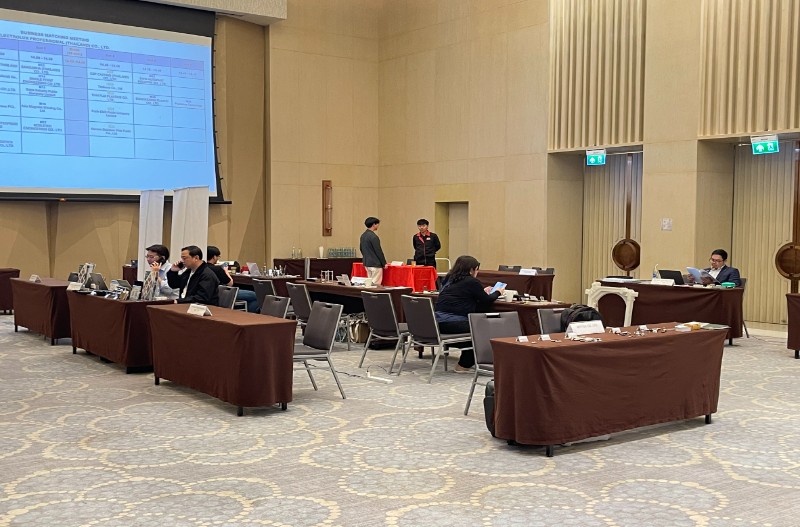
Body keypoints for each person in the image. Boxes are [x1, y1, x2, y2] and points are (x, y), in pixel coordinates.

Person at [434, 255, 504, 372]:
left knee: (475, 328)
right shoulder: (471, 281)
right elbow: (486, 300)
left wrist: (481, 292)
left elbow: (462, 295)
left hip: (437, 322)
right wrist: (498, 292)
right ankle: (464, 365)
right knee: (483, 328)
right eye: (477, 269)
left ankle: (467, 361)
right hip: (454, 323)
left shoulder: (448, 279)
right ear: (472, 269)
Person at [206, 246, 258, 313]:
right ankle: (251, 315)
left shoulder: (203, 268)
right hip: (223, 294)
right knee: (255, 295)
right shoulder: (218, 269)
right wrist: (226, 270)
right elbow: (230, 283)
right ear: (214, 257)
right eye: (218, 256)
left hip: (211, 295)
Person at [359, 216, 386, 285]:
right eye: (377, 224)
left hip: (367, 263)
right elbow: (378, 251)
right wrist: (384, 263)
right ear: (374, 224)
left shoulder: (363, 236)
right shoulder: (374, 237)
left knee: (369, 283)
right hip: (375, 264)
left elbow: (361, 249)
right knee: (375, 284)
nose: (378, 226)